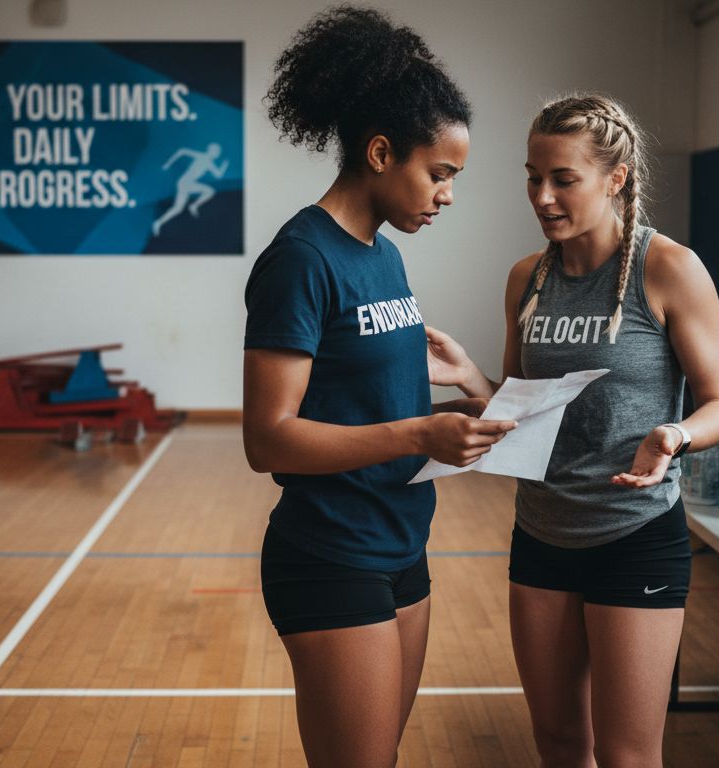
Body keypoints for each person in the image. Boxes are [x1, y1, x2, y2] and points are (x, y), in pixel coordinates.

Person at [242, 7, 517, 767]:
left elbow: (362, 392)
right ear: (379, 151)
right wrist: (421, 433)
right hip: (331, 554)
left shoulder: (384, 257)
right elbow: (267, 440)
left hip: (402, 544)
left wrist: (455, 400)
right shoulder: (301, 259)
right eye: (440, 173)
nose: (447, 195)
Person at [426, 93, 719, 768]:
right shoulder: (525, 280)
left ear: (614, 179)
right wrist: (472, 380)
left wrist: (673, 436)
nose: (542, 195)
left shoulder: (669, 269)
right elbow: (521, 410)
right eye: (533, 176)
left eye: (563, 178)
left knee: (627, 754)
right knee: (561, 743)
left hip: (636, 536)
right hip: (541, 534)